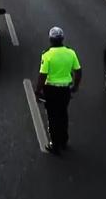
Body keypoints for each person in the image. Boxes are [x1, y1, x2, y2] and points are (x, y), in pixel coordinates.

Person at [35, 26, 82, 155]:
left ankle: (55, 145)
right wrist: (76, 86)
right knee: (63, 115)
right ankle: (64, 141)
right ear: (62, 39)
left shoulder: (47, 55)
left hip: (50, 90)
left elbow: (42, 75)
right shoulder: (71, 53)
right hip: (65, 90)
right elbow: (78, 71)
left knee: (52, 117)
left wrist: (38, 91)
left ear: (50, 39)